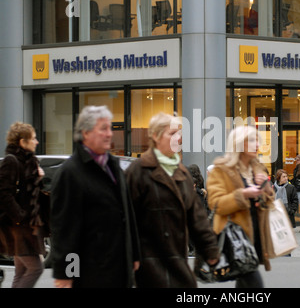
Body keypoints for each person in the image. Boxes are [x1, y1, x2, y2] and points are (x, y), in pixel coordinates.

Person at [50, 106, 141, 288]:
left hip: (118, 268)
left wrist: (134, 254)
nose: (109, 134)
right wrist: (67, 275)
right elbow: (65, 231)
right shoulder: (70, 173)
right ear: (85, 133)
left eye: (110, 128)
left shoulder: (114, 166)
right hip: (90, 273)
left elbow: (128, 214)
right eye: (103, 129)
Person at [125, 112, 219, 288]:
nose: (179, 138)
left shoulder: (182, 173)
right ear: (155, 136)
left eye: (179, 133)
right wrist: (130, 256)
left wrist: (210, 249)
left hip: (177, 264)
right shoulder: (137, 172)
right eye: (172, 133)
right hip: (147, 265)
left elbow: (197, 219)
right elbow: (125, 219)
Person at [207, 125, 275, 288]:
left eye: (257, 140)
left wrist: (264, 188)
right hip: (236, 240)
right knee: (254, 284)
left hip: (255, 237)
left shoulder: (256, 168)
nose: (257, 144)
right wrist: (242, 194)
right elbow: (216, 204)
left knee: (245, 283)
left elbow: (267, 203)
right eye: (252, 140)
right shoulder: (221, 170)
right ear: (238, 144)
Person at [0, 122, 47, 288]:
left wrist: (38, 177)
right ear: (22, 142)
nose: (37, 142)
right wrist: (20, 217)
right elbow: (4, 193)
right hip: (19, 227)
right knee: (36, 268)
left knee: (21, 272)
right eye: (33, 138)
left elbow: (32, 194)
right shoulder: (11, 161)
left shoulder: (28, 162)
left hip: (25, 226)